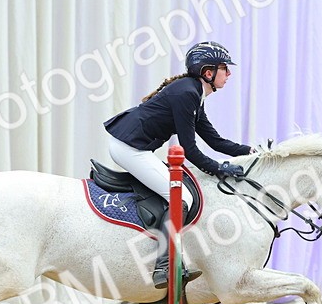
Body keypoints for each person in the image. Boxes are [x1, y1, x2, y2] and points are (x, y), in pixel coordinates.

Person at [104, 41, 257, 288]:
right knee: (181, 196)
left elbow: (214, 140)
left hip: (133, 146)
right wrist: (220, 169)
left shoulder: (194, 93)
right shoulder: (187, 93)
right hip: (129, 149)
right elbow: (189, 150)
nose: (229, 74)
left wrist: (250, 152)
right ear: (208, 72)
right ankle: (165, 266)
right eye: (224, 68)